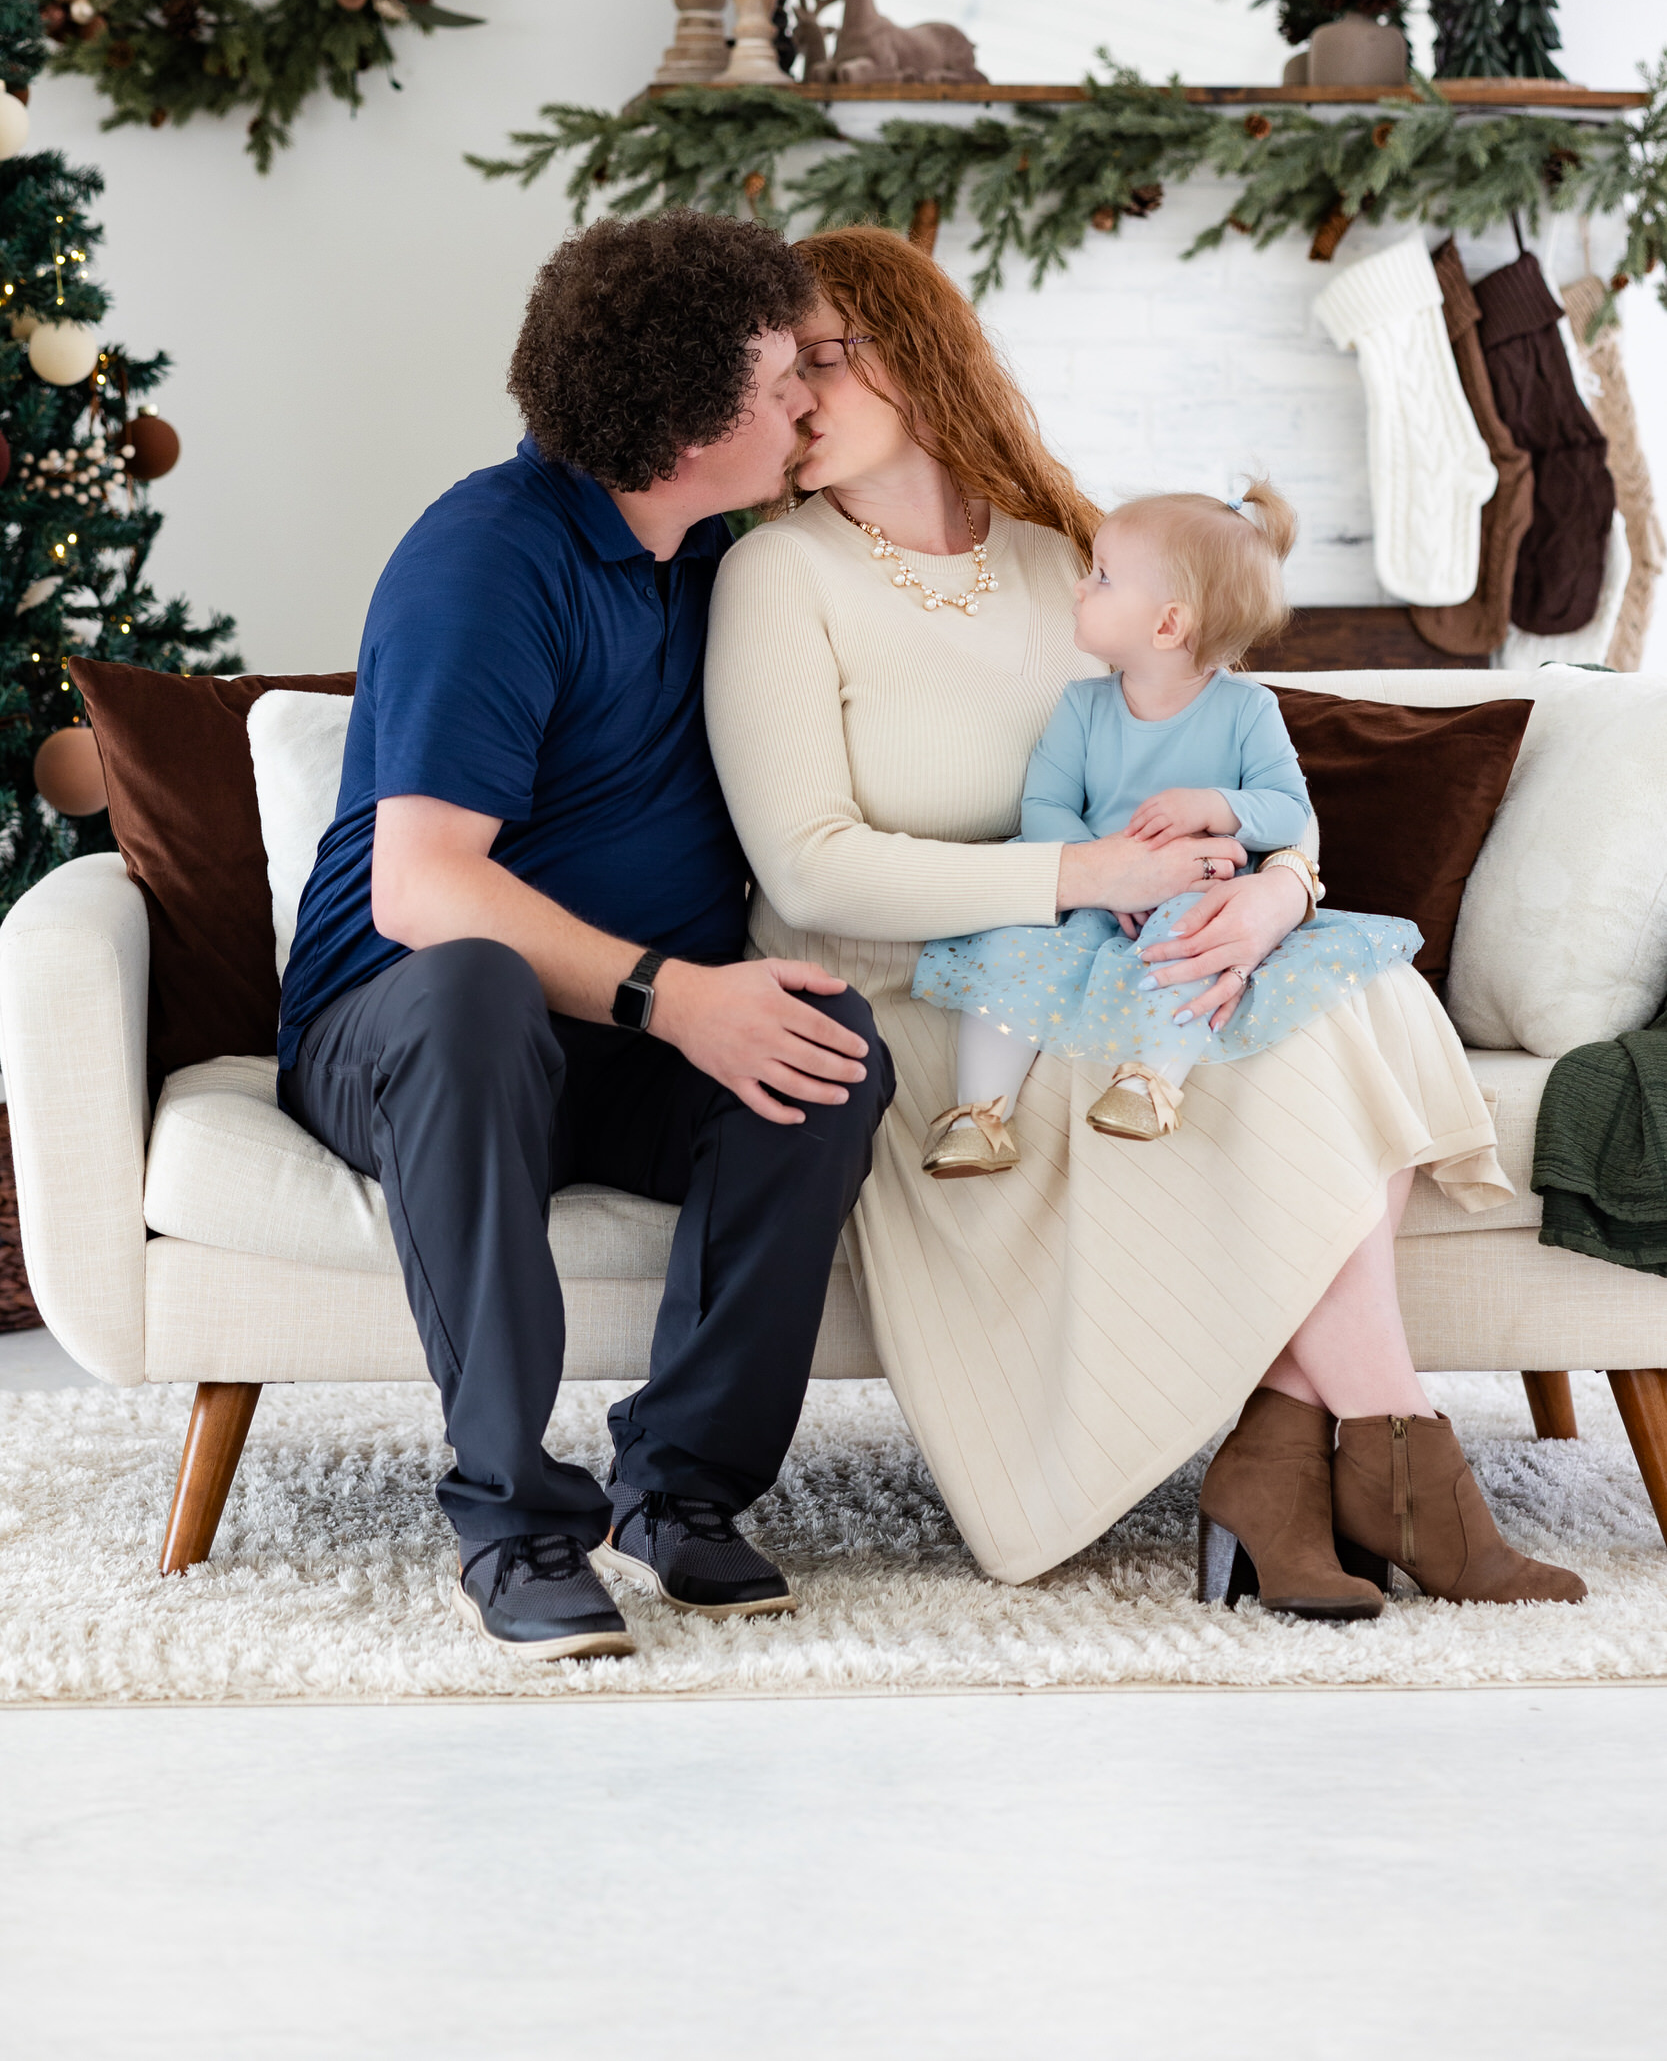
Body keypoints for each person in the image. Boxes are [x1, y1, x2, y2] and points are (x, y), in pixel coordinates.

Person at [705, 224, 1584, 1620]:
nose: (787, 396)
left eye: (819, 357)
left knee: (1347, 989)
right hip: (929, 1012)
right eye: (770, 371)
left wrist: (1275, 892)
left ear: (914, 356)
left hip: (1096, 960)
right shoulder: (775, 575)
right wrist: (1089, 878)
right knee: (1278, 1050)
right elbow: (809, 872)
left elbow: (1236, 759)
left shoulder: (1071, 557)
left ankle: (1287, 1470)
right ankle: (1402, 1461)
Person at [277, 210, 894, 1662]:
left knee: (825, 1049)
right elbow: (420, 892)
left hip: (608, 1048)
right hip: (407, 1035)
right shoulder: (487, 558)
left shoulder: (721, 555)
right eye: (779, 385)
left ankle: (676, 1491)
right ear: (686, 427)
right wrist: (679, 997)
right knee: (474, 991)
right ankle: (510, 1524)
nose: (805, 407)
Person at [912, 479, 1420, 1169]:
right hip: (1087, 894)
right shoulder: (1082, 705)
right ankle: (978, 1115)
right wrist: (1106, 870)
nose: (1079, 587)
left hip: (1191, 895)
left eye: (1102, 576)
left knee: (1190, 944)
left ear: (1167, 625)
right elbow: (1044, 808)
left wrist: (1215, 806)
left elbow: (1289, 812)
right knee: (1008, 948)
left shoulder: (1247, 709)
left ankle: (1148, 1083)